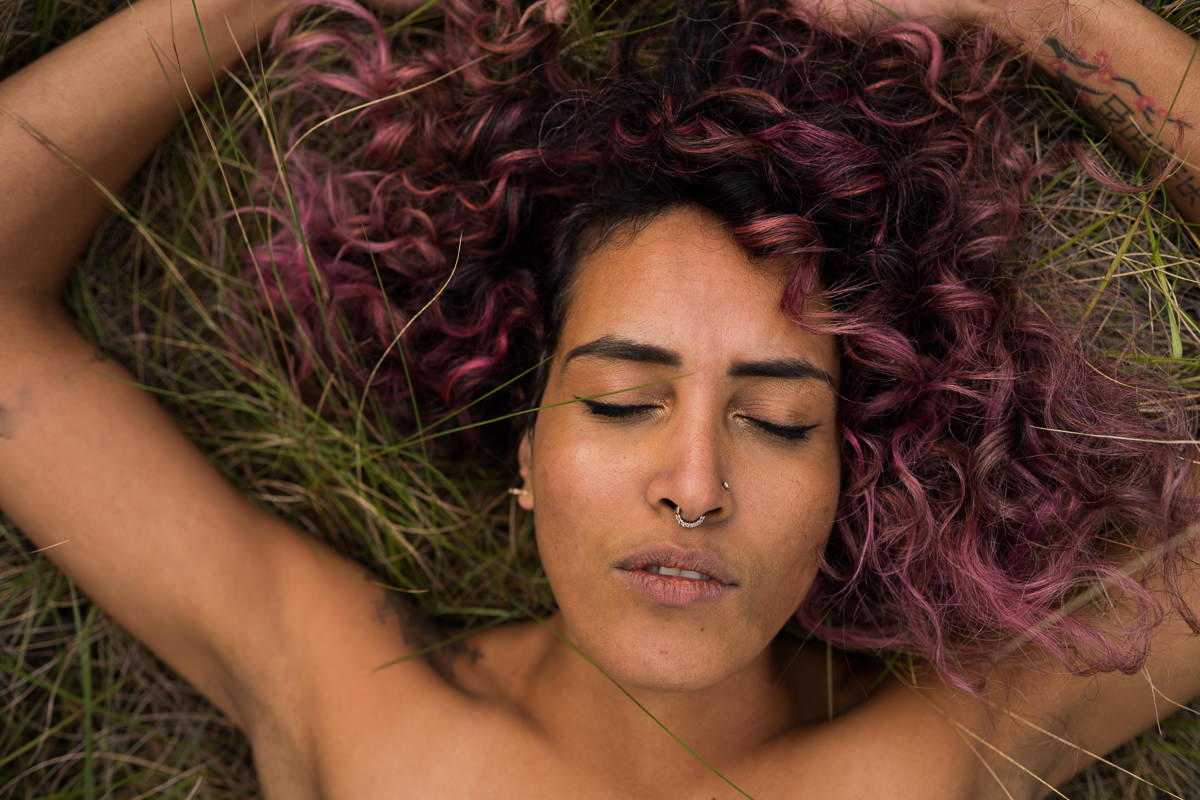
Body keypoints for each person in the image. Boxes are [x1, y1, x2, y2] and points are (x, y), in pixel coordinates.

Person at [1, 0, 1198, 797]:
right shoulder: (358, 712)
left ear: (850, 480)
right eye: (624, 400)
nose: (692, 485)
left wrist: (1040, 10)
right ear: (526, 449)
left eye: (779, 420)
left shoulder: (920, 762)